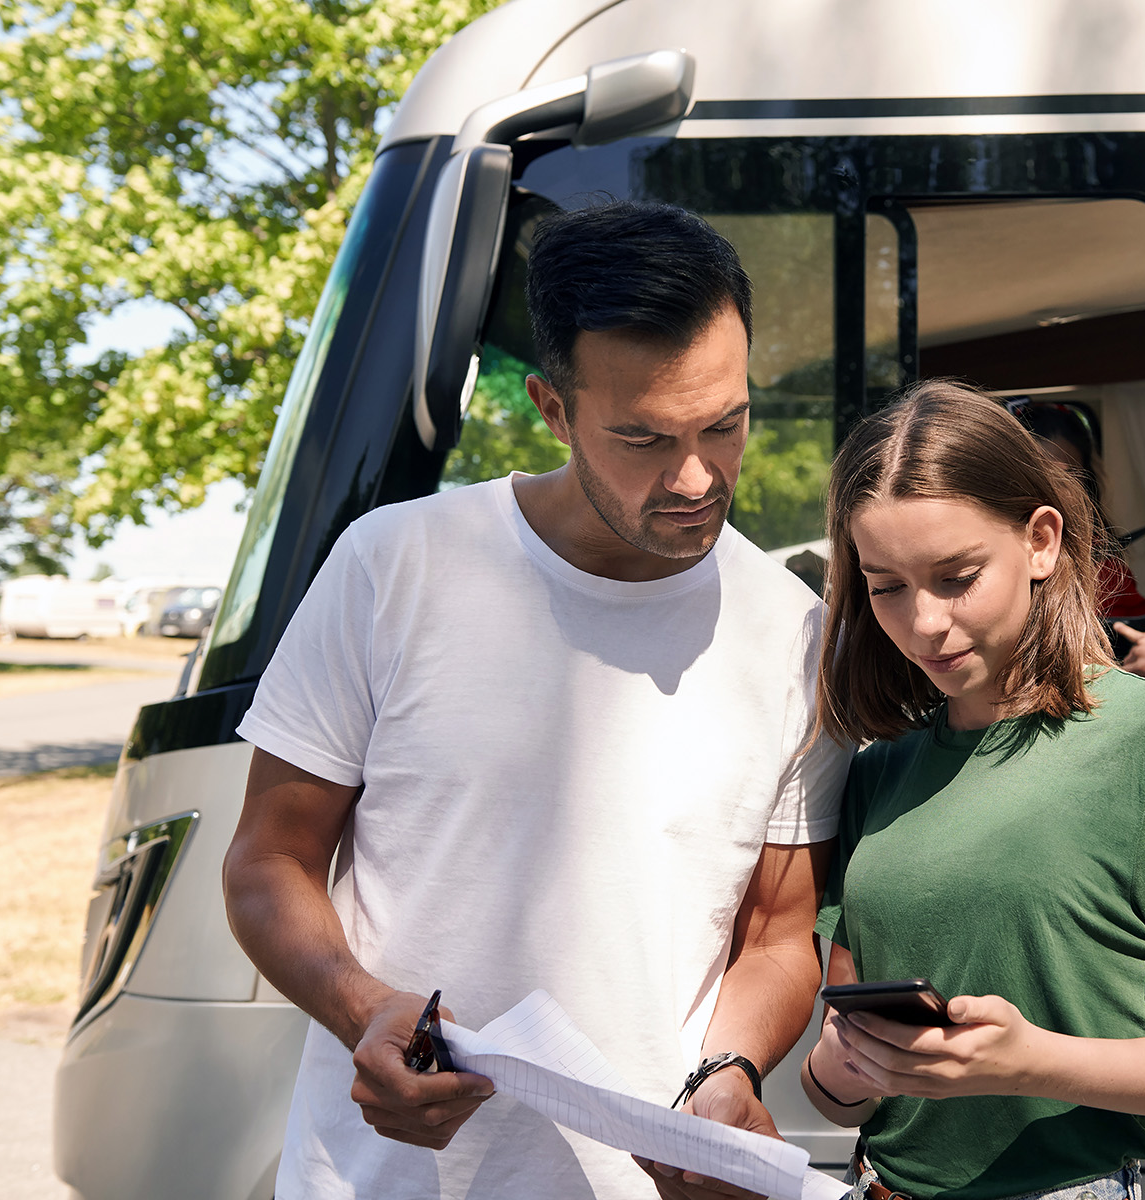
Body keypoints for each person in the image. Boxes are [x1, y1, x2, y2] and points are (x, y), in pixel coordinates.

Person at [221, 201, 851, 1200]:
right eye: (642, 438)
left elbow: (777, 935)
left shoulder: (796, 634)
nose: (696, 477)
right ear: (551, 409)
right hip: (383, 1180)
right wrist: (360, 1009)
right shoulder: (394, 567)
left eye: (724, 424)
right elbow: (269, 861)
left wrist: (729, 1072)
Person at [798, 379, 1145, 1200]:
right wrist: (846, 1067)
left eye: (956, 576)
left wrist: (1031, 1061)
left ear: (1043, 540)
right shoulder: (880, 769)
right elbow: (834, 1094)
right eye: (886, 587)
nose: (924, 623)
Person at [1005, 396, 1145, 618]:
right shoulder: (995, 551)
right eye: (1041, 477)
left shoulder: (1103, 561)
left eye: (1069, 476)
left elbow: (1130, 620)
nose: (1054, 490)